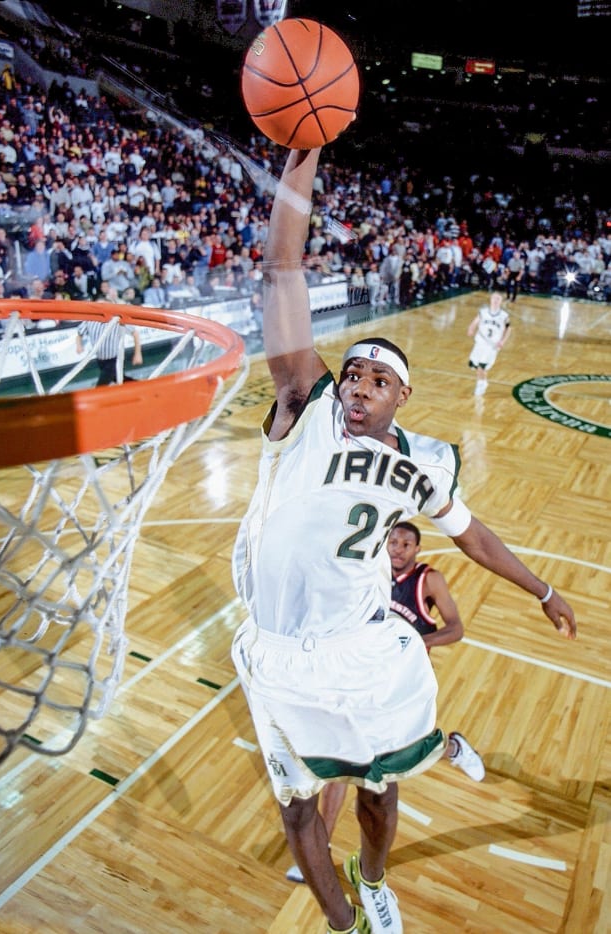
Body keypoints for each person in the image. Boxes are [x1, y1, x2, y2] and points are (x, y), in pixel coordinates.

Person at [231, 147, 576, 934]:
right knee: (296, 816)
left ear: (402, 398)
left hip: (359, 645)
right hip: (278, 651)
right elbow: (281, 269)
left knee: (380, 795)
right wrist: (303, 150)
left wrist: (545, 590)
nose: (357, 385)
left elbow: (477, 537)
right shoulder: (304, 406)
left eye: (376, 381)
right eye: (351, 373)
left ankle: (373, 876)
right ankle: (343, 923)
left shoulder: (422, 466)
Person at [285, 519, 484, 884]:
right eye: (393, 542)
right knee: (343, 760)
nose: (397, 549)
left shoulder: (429, 580)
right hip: (360, 679)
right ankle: (321, 847)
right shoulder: (369, 570)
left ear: (417, 549)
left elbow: (456, 627)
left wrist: (428, 641)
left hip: (401, 685)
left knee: (401, 757)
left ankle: (453, 748)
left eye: (406, 544)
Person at [75, 317, 143, 387]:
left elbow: (135, 333)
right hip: (101, 360)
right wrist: (79, 345)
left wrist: (138, 354)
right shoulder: (90, 320)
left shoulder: (116, 320)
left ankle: (142, 387)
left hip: (114, 360)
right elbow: (79, 334)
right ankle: (142, 387)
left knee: (101, 387)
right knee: (119, 379)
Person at [467, 291, 511, 396]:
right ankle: (483, 381)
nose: (495, 301)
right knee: (475, 365)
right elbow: (475, 322)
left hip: (492, 345)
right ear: (490, 299)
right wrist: (471, 329)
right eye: (494, 298)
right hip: (480, 342)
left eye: (498, 299)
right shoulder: (483, 312)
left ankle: (480, 385)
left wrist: (503, 341)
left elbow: (508, 329)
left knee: (482, 365)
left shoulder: (504, 315)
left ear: (501, 301)